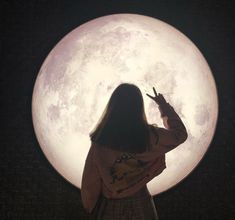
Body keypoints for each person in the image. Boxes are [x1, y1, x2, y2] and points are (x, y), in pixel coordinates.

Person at [81, 83, 188, 220]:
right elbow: (179, 135)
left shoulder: (100, 142)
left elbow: (91, 181)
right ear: (138, 107)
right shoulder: (150, 137)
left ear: (113, 107)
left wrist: (90, 209)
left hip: (110, 207)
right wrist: (163, 106)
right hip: (141, 203)